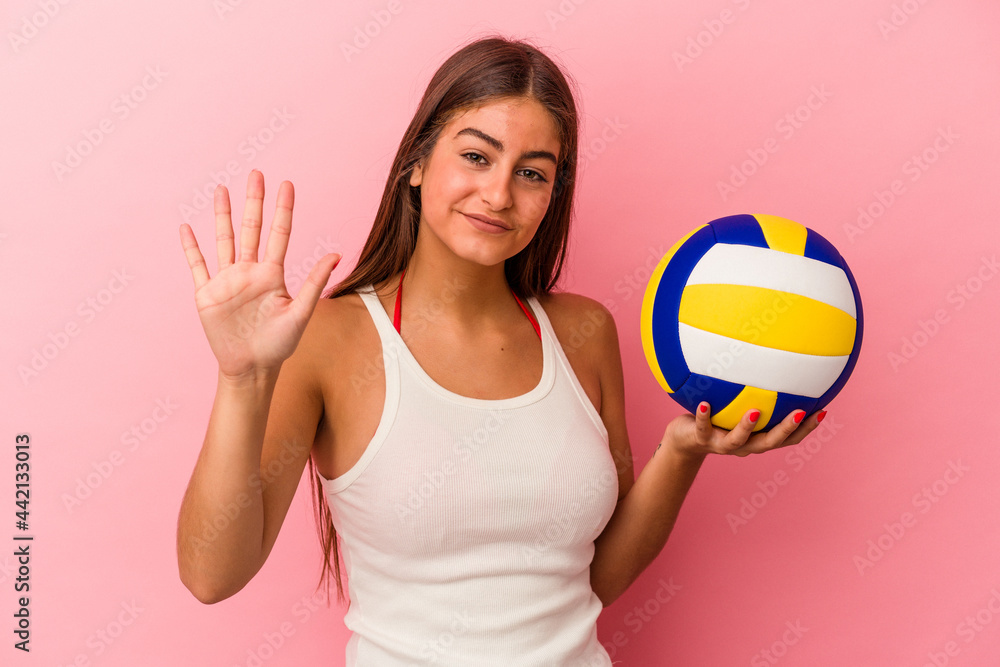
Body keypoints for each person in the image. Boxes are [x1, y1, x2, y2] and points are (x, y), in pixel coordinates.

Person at [176, 36, 826, 666]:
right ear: (418, 161)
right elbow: (211, 574)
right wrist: (241, 378)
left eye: (532, 173)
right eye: (477, 156)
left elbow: (589, 580)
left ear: (552, 195)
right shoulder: (327, 338)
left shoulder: (584, 332)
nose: (499, 194)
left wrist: (683, 449)